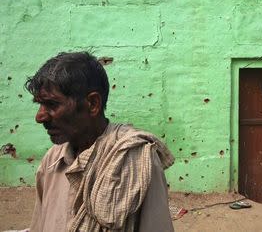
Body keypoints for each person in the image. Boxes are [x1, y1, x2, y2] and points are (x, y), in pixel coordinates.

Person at [25, 52, 175, 232]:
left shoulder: (135, 159)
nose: (39, 117)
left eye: (52, 105)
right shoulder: (52, 161)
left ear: (92, 104)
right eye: (39, 105)